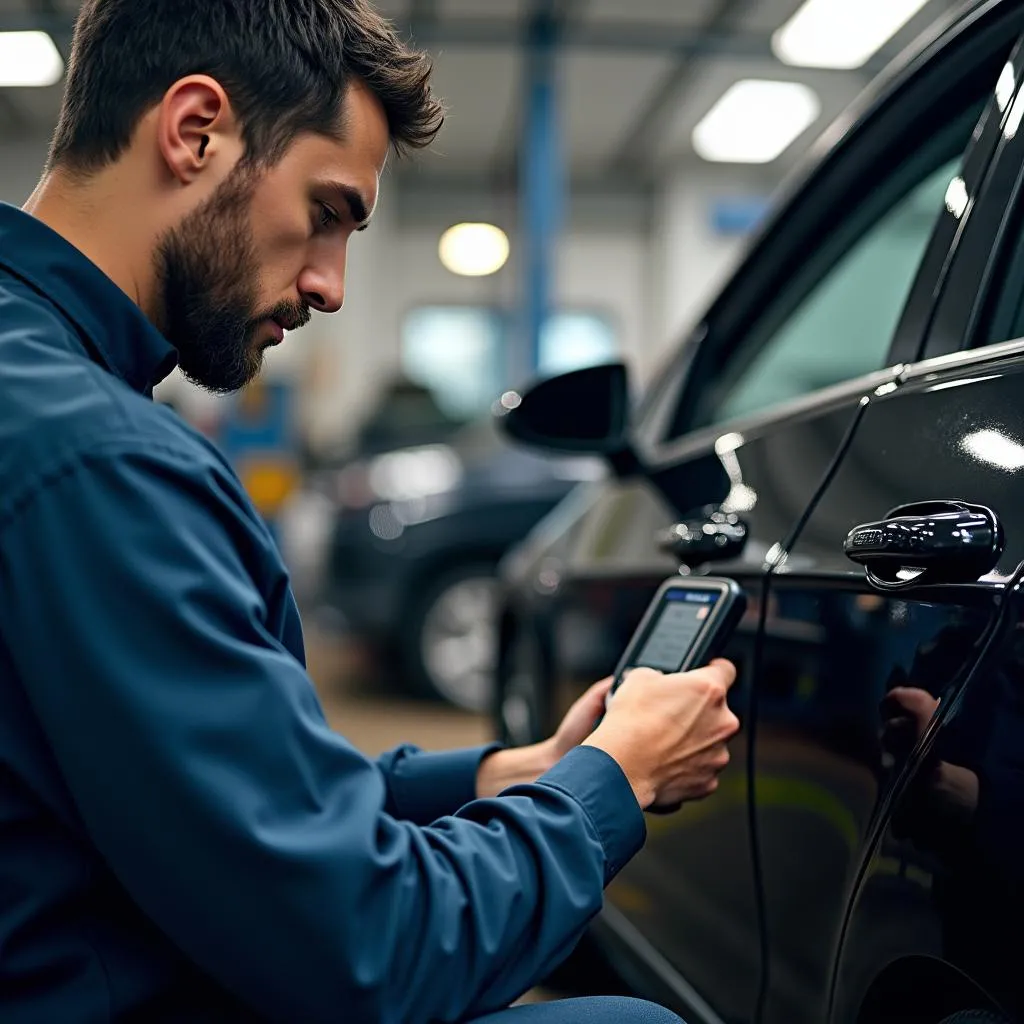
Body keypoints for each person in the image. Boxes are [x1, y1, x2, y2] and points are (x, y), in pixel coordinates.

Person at [0, 2, 741, 1022]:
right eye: (327, 212)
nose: (331, 286)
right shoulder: (105, 462)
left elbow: (220, 783)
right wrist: (611, 780)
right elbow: (374, 949)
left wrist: (497, 775)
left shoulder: (36, 388)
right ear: (194, 131)